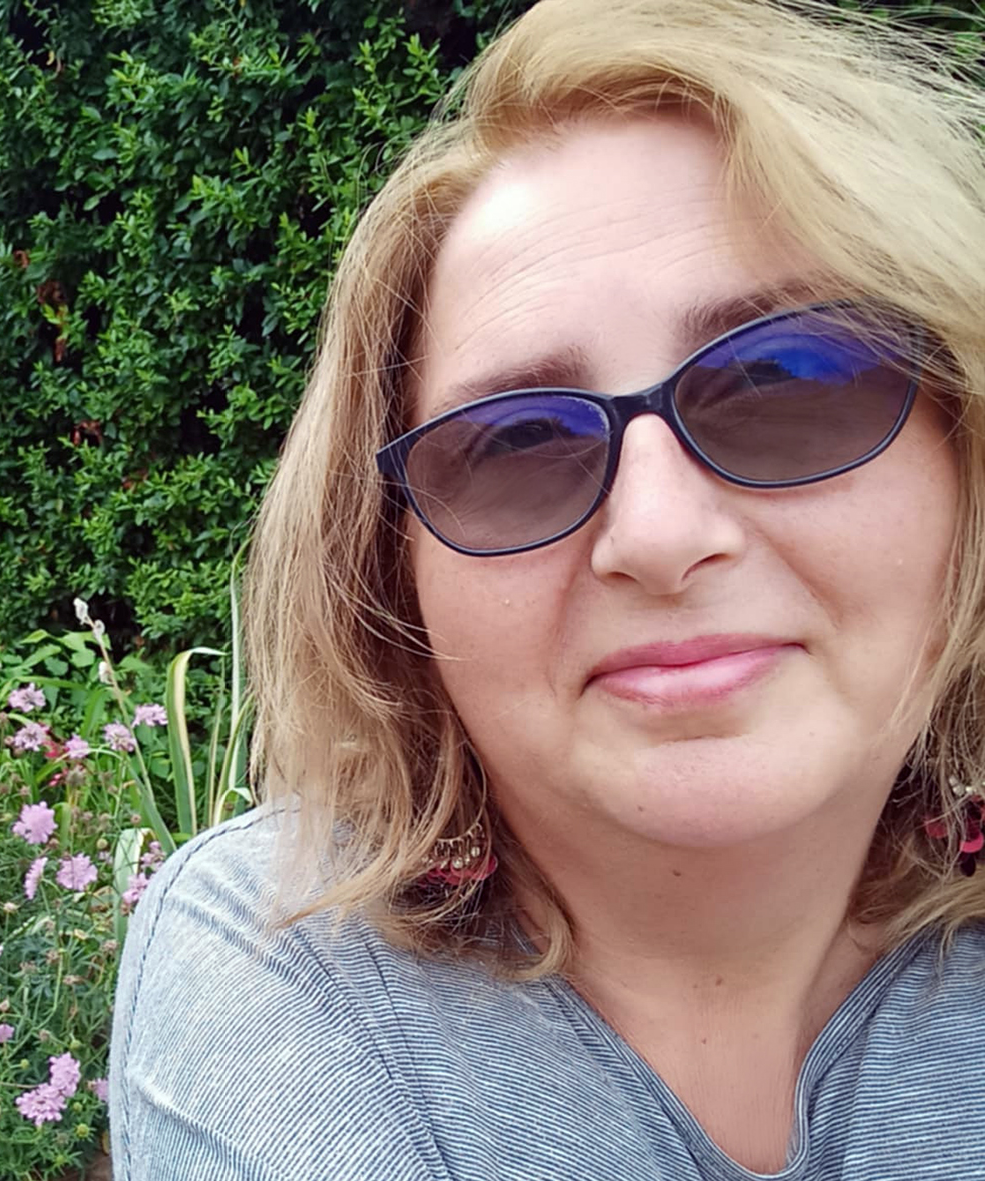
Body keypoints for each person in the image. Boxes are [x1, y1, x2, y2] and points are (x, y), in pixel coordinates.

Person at [109, 1, 985, 1177]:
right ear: (391, 574)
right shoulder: (289, 961)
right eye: (516, 443)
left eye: (784, 380)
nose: (657, 535)